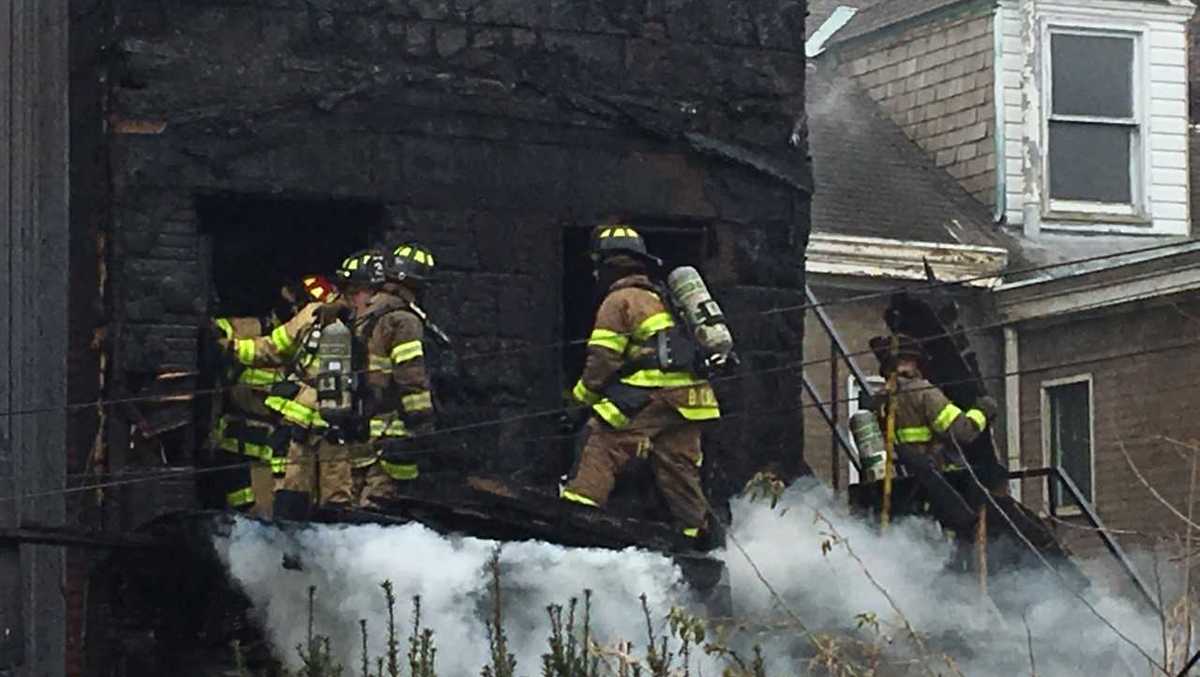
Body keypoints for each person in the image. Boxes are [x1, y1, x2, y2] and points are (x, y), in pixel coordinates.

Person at [560, 224, 720, 543]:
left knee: (599, 441)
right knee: (678, 467)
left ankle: (577, 521)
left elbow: (603, 360)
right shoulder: (665, 297)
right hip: (694, 399)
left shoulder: (620, 300)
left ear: (606, 264)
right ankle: (695, 537)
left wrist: (578, 401)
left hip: (655, 393)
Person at [208, 275, 339, 513]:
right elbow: (269, 347)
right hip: (246, 422)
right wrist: (225, 346)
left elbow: (274, 349)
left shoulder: (317, 332)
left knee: (285, 488)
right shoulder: (254, 327)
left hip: (283, 426)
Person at [868, 333, 998, 532]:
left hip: (905, 484)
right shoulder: (924, 394)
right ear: (909, 362)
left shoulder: (879, 402)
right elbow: (963, 431)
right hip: (940, 481)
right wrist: (983, 411)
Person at [356, 243, 440, 507]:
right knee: (383, 496)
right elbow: (410, 373)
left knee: (356, 490)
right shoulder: (404, 320)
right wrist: (423, 421)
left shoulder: (366, 311)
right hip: (391, 422)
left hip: (361, 420)